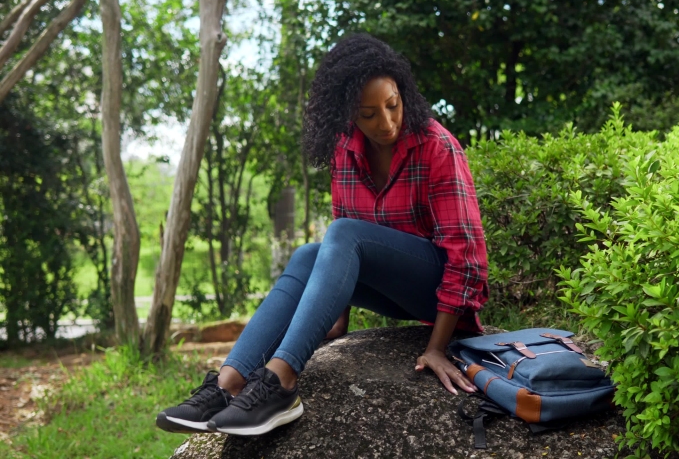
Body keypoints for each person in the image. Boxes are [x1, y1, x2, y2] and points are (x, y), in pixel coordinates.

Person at [156, 33, 488, 437]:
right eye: (368, 114)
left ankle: (280, 383)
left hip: (434, 290)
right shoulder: (344, 151)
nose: (386, 123)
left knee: (341, 232)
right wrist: (334, 317)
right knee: (308, 254)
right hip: (392, 290)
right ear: (348, 114)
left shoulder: (437, 147)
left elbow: (467, 258)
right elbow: (342, 252)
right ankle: (229, 383)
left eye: (393, 104)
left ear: (404, 94)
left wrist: (436, 347)